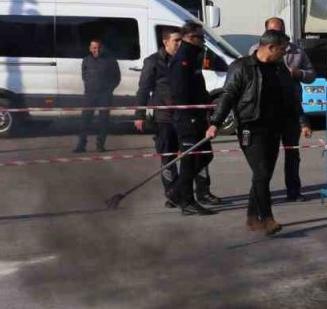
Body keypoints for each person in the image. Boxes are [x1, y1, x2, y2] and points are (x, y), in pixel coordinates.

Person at [209, 31, 312, 236]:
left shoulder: (279, 68)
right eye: (282, 49)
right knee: (262, 172)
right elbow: (228, 95)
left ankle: (251, 217)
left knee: (262, 175)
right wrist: (215, 122)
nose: (284, 54)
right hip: (250, 126)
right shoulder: (242, 67)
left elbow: (291, 98)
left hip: (274, 127)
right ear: (270, 48)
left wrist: (303, 122)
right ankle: (267, 218)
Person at [134, 27, 219, 207]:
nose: (180, 44)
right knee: (169, 157)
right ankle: (173, 193)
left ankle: (202, 191)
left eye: (182, 40)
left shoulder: (190, 58)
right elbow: (143, 90)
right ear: (166, 42)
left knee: (199, 155)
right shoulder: (153, 62)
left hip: (188, 116)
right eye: (176, 41)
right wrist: (139, 114)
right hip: (165, 118)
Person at [249, 17, 316, 202]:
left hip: (291, 109)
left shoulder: (296, 51)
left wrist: (298, 73)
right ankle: (262, 194)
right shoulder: (255, 52)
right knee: (265, 157)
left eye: (281, 31)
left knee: (292, 153)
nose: (279, 38)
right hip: (267, 113)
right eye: (274, 32)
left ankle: (293, 191)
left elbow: (311, 74)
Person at [165, 22, 217, 216]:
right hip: (187, 118)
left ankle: (177, 190)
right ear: (189, 38)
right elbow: (180, 93)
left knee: (205, 156)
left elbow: (198, 87)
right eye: (200, 38)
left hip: (197, 115)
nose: (203, 42)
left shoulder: (192, 57)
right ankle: (187, 200)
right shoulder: (182, 60)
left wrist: (206, 103)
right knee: (190, 159)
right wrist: (191, 115)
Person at [74, 37, 120, 153]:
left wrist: (109, 89)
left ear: (102, 48)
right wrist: (89, 86)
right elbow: (84, 75)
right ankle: (81, 145)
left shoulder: (111, 61)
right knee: (85, 121)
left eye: (99, 48)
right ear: (90, 48)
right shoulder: (86, 60)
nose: (97, 50)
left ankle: (100, 145)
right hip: (89, 95)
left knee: (103, 121)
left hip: (105, 95)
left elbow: (117, 78)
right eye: (94, 48)